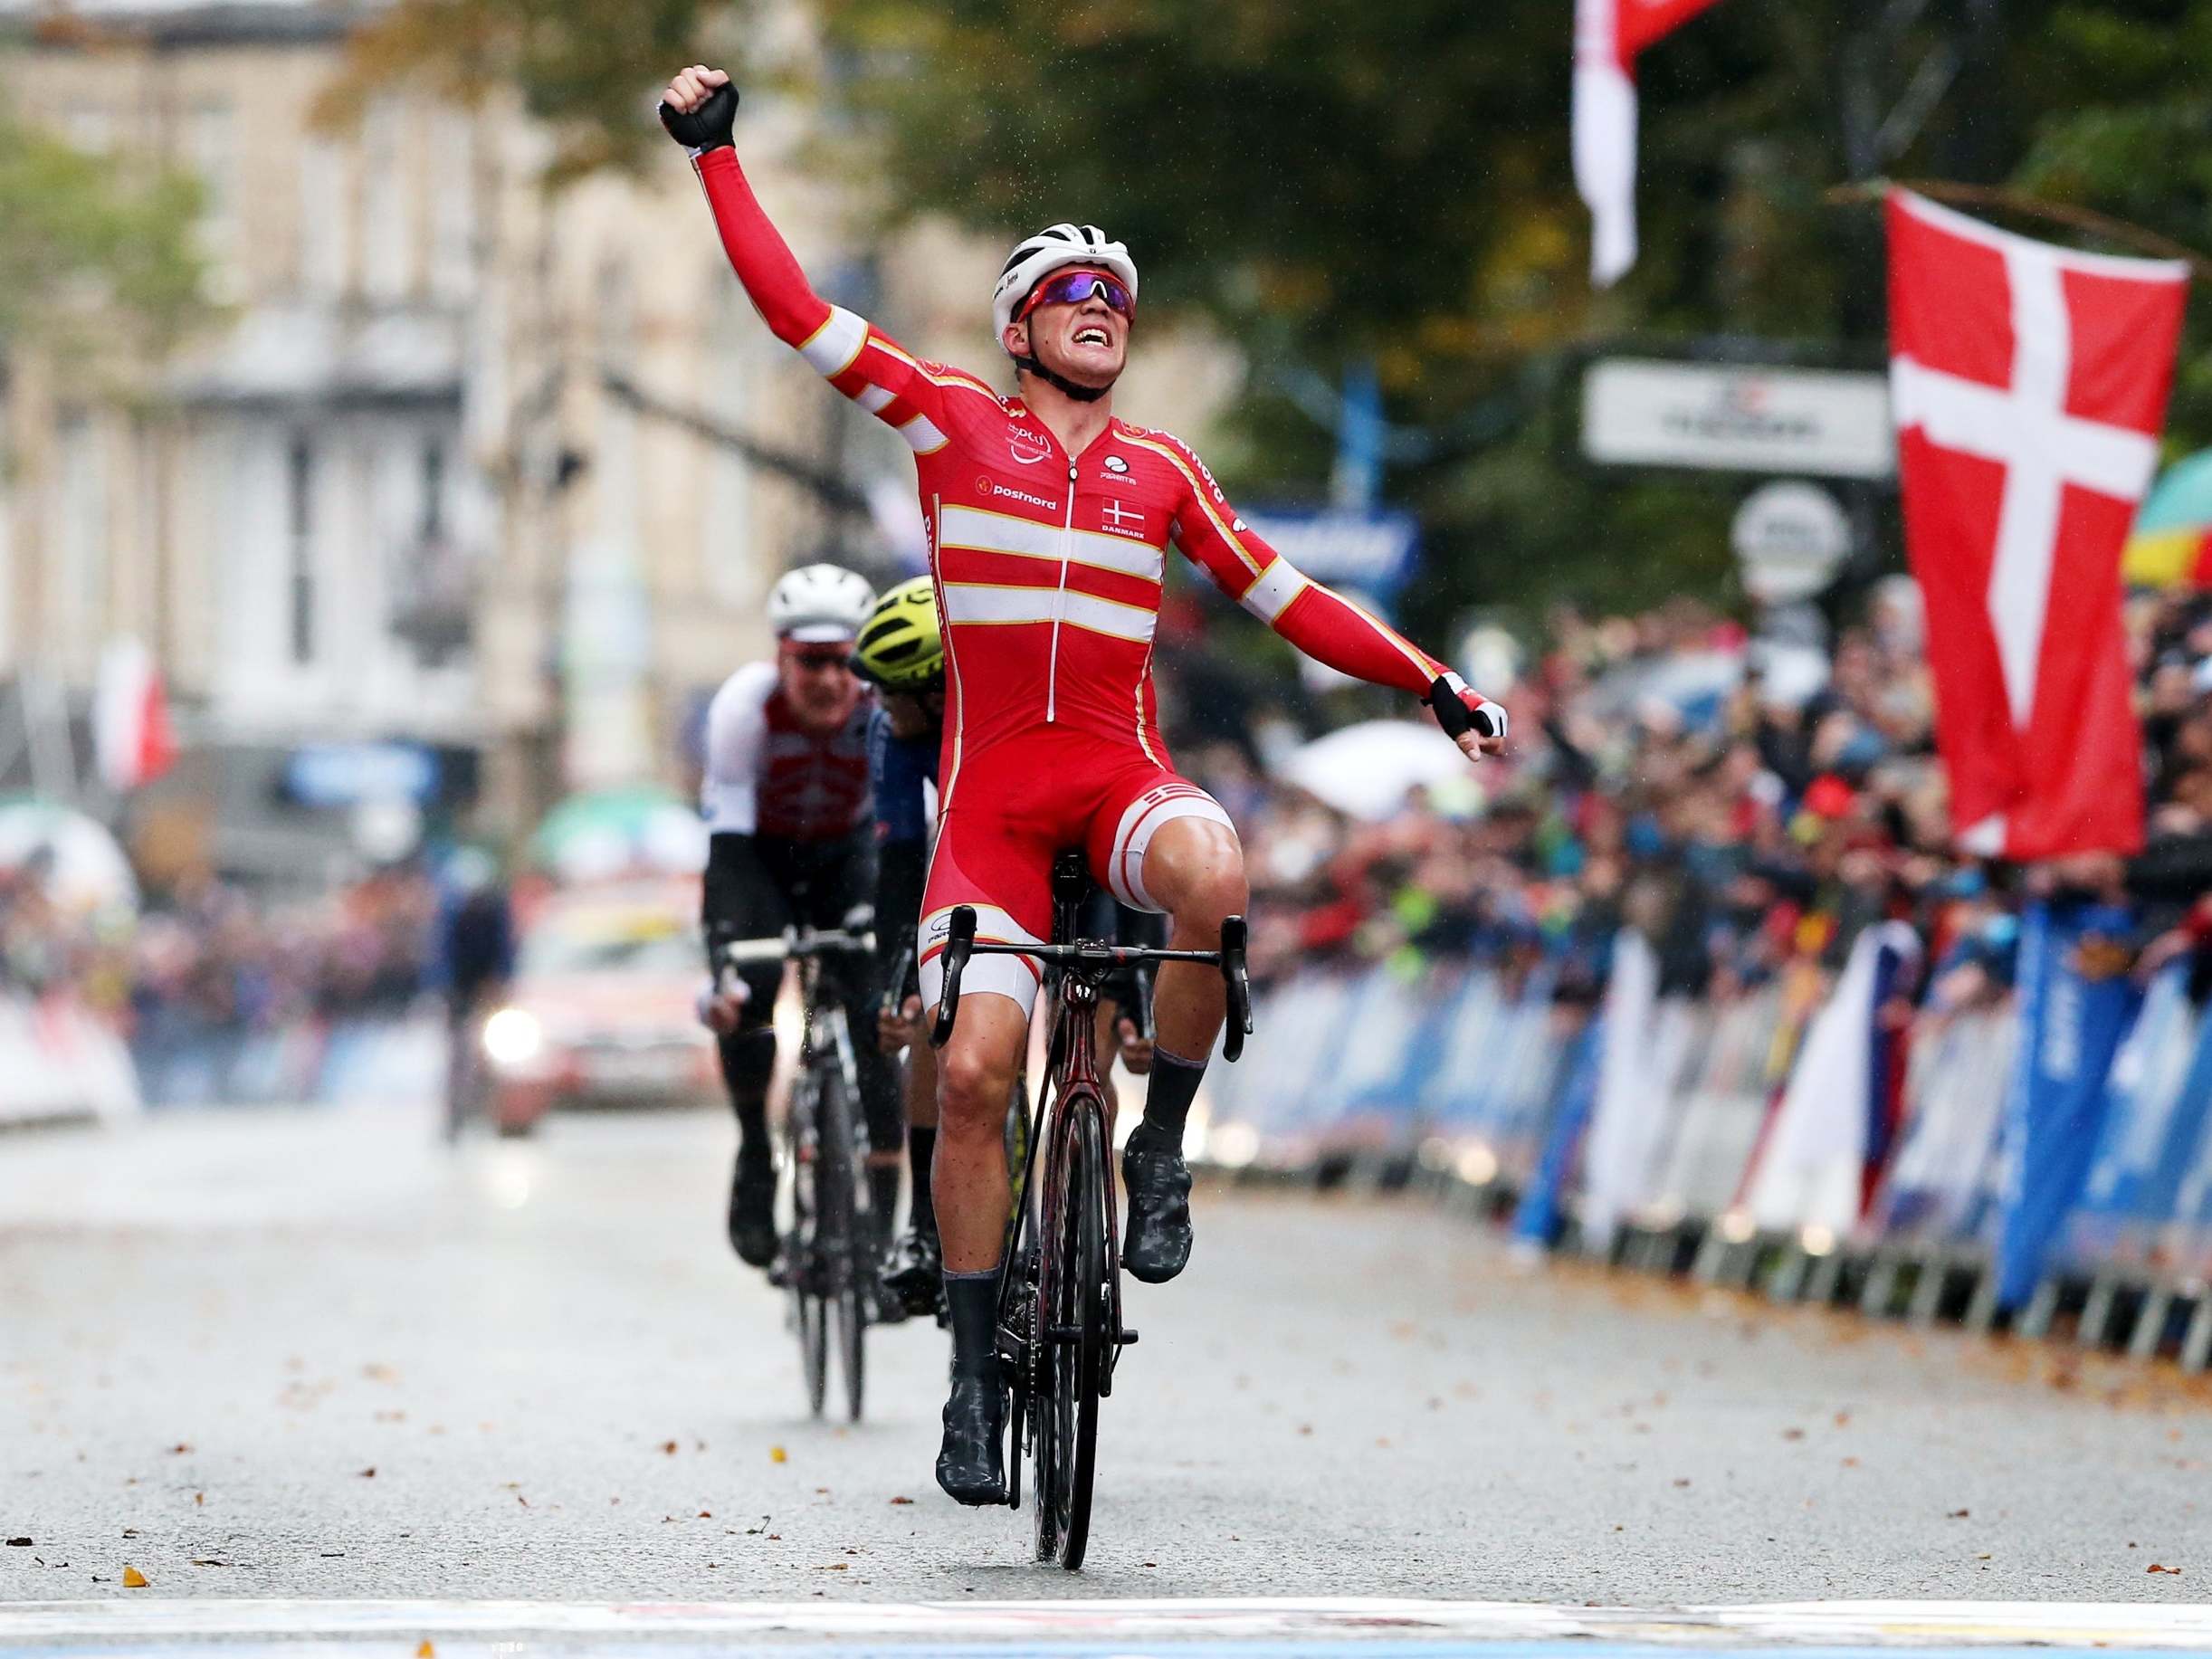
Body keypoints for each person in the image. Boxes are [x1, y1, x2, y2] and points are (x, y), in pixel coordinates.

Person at [661, 67, 1507, 1504]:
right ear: (1016, 331)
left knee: (1217, 866)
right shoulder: (946, 424)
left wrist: (1429, 679)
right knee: (978, 1069)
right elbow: (799, 315)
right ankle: (974, 1391)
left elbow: (1288, 596)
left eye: (1116, 290)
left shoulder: (1161, 468)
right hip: (987, 815)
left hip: (1117, 785)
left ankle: (1160, 1154)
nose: (1100, 301)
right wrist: (719, 158)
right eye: (1067, 290)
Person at [696, 561, 907, 1310]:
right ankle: (756, 1148)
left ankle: (883, 1234)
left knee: (880, 1015)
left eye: (843, 662)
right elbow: (726, 848)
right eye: (809, 662)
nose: (827, 679)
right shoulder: (742, 710)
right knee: (748, 996)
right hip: (764, 859)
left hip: (850, 857)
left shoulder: (886, 706)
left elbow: (912, 825)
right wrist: (725, 951)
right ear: (780, 657)